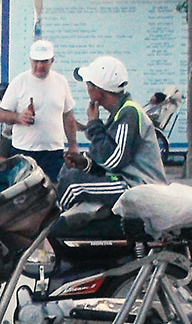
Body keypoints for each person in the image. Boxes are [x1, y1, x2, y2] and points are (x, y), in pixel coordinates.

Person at [57, 55, 167, 213]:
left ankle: (55, 230)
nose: (87, 90)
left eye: (89, 86)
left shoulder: (129, 112)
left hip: (141, 187)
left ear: (99, 93)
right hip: (126, 181)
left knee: (74, 184)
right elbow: (106, 158)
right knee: (69, 171)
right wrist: (85, 163)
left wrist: (94, 124)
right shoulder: (118, 114)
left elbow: (113, 161)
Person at [0, 40, 78, 182]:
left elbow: (68, 116)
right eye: (36, 61)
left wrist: (73, 144)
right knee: (23, 195)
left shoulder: (61, 81)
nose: (39, 66)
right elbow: (2, 114)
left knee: (54, 193)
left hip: (53, 152)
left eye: (44, 61)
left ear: (52, 61)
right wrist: (18, 117)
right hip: (24, 150)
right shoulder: (19, 82)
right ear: (30, 60)